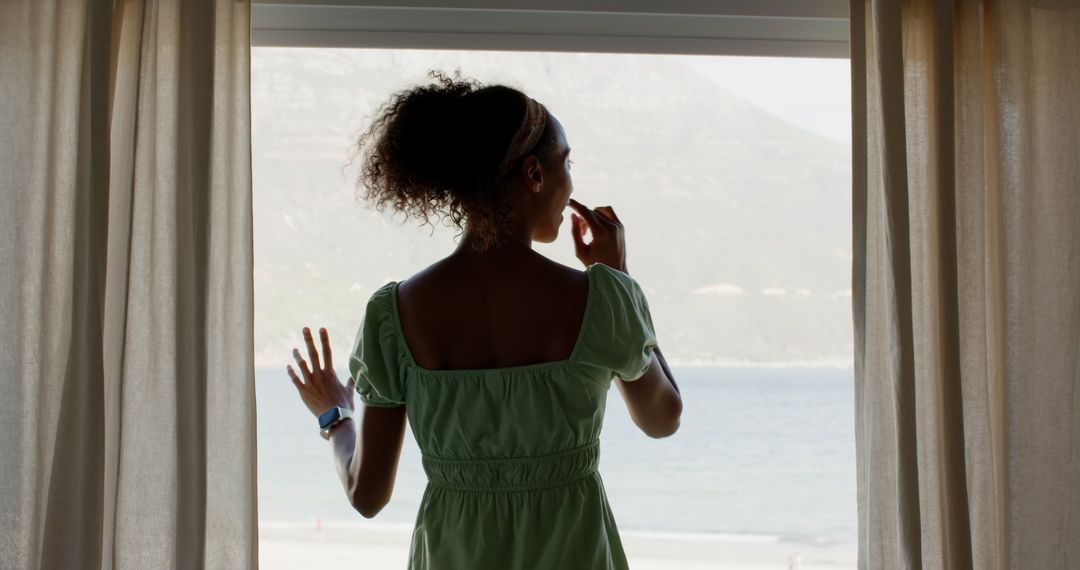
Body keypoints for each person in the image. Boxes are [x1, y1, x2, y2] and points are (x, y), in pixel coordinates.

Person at [287, 73, 683, 570]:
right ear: (534, 174)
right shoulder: (602, 299)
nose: (572, 184)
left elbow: (367, 496)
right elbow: (663, 419)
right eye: (567, 164)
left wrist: (336, 417)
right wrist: (619, 278)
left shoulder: (393, 315)